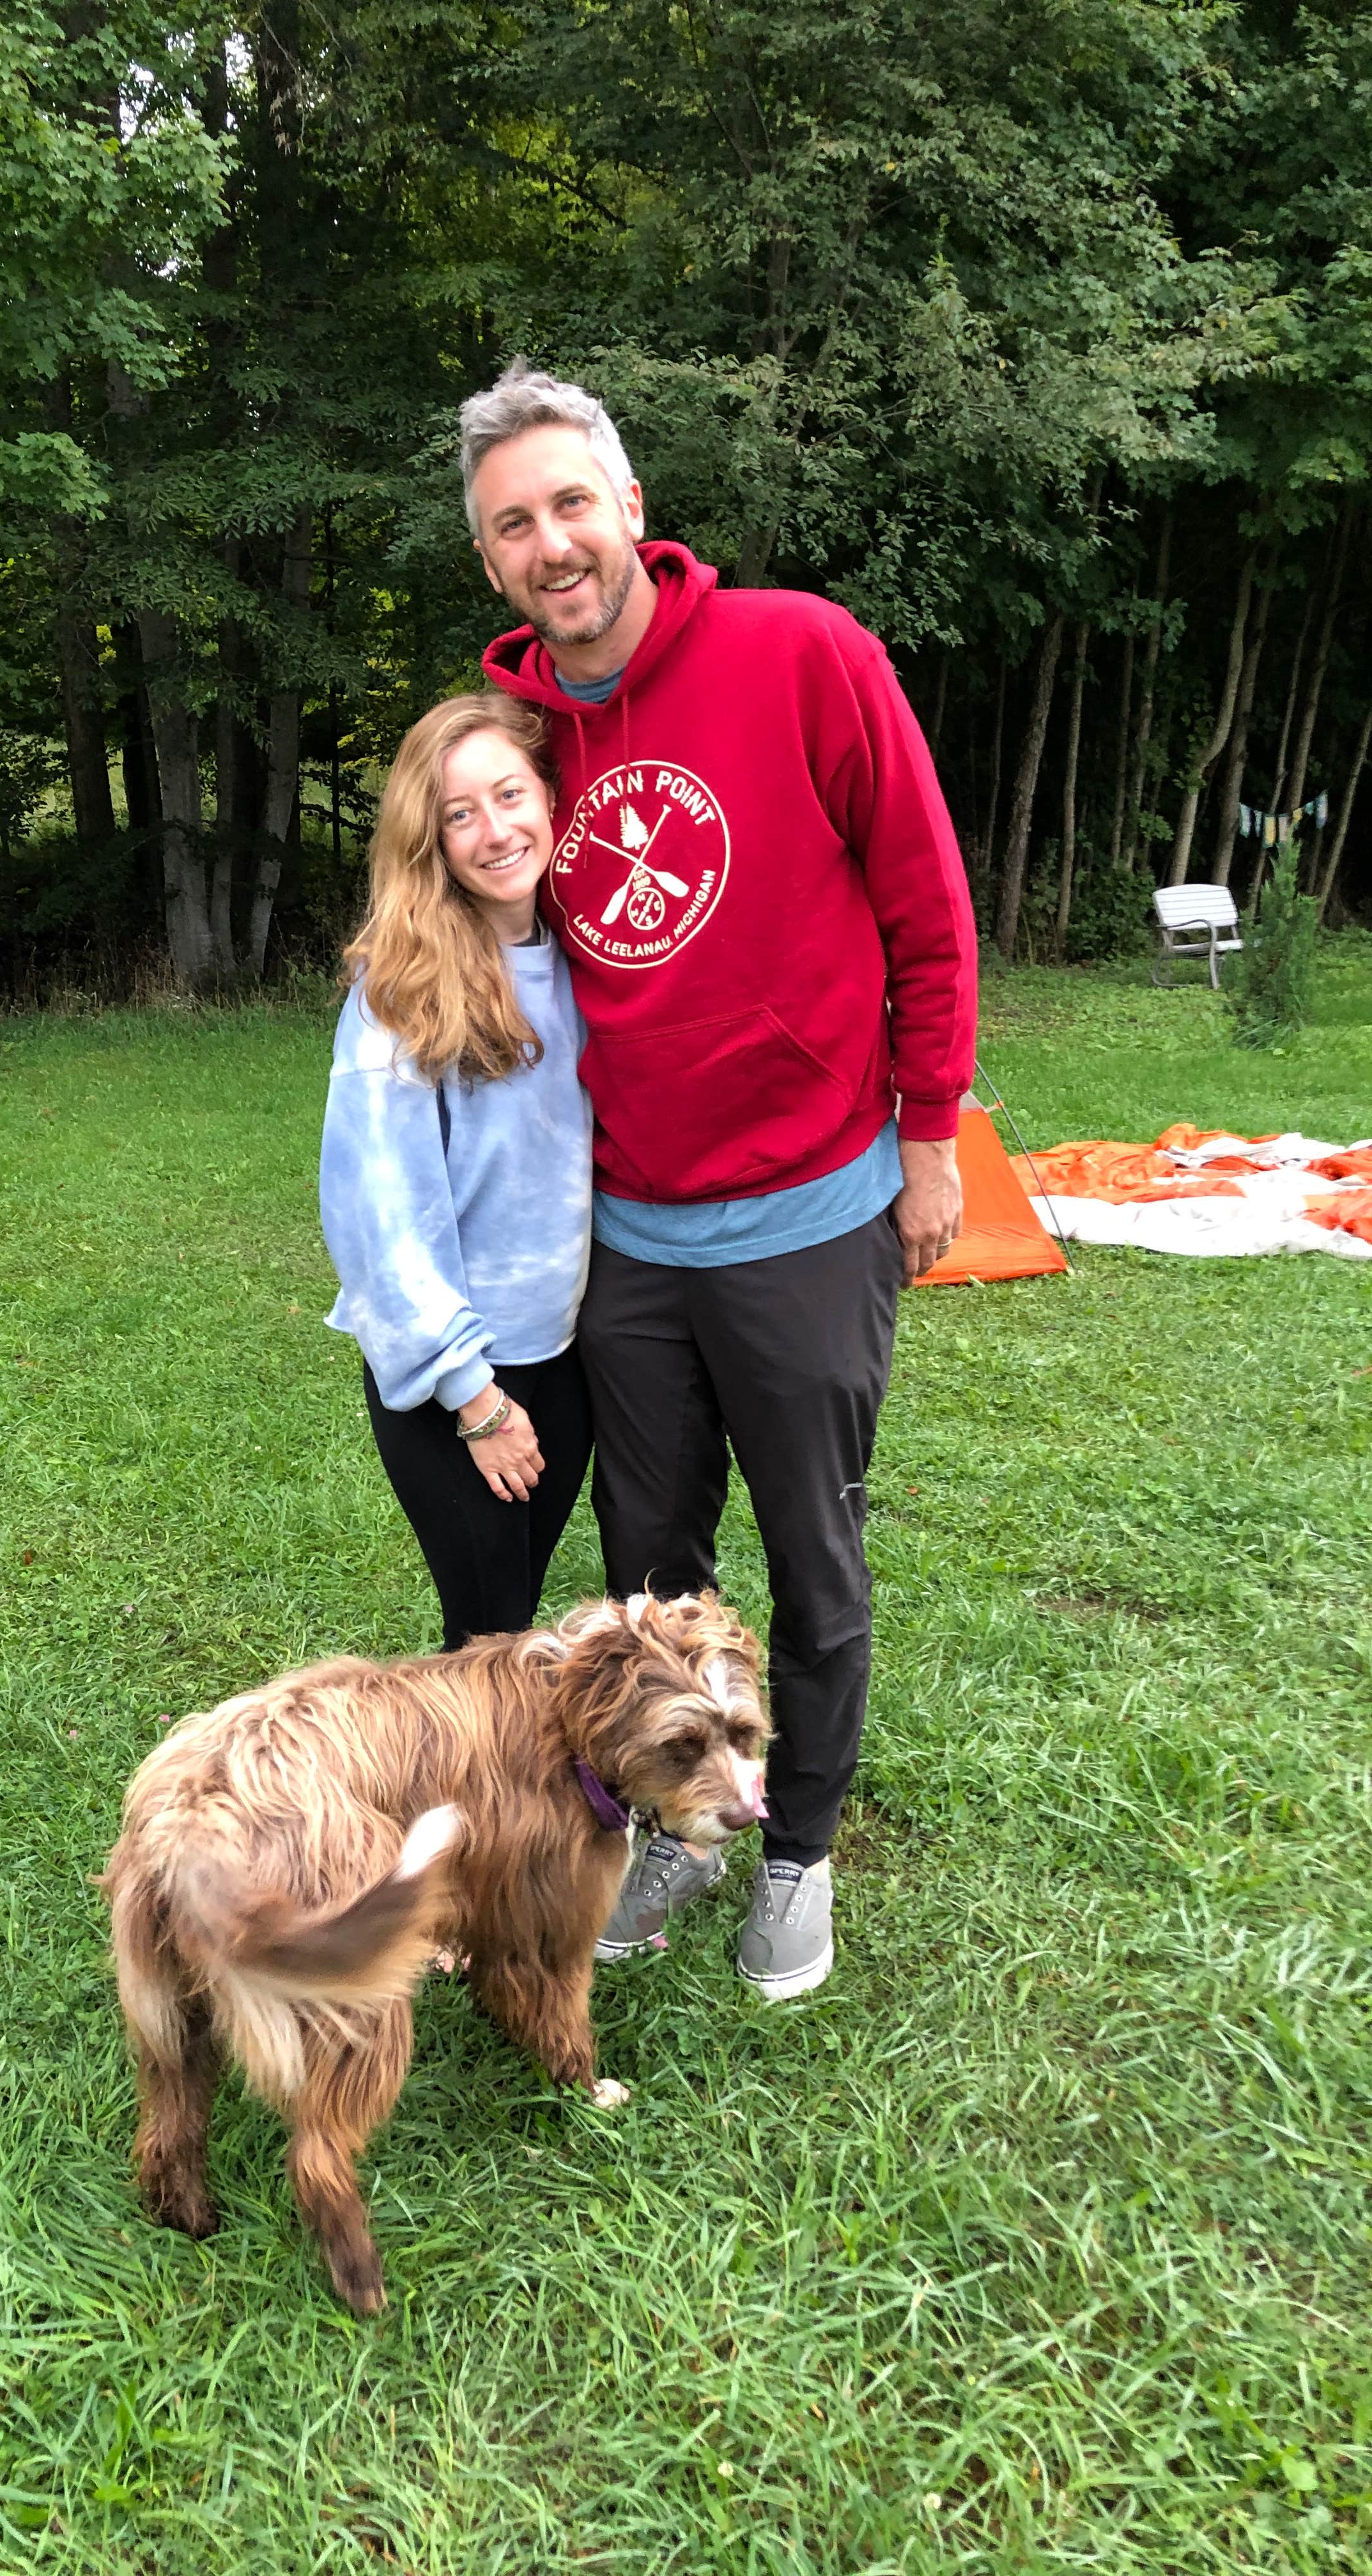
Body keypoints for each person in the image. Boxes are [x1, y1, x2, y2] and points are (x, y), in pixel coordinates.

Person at [465, 362, 978, 1997]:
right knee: (648, 1580)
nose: (551, 544)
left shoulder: (800, 650)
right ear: (492, 563)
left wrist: (933, 1128)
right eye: (511, 526)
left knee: (816, 1567)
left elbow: (924, 896)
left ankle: (797, 1853)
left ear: (629, 503)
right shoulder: (521, 737)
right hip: (628, 1239)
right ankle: (666, 1840)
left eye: (568, 503)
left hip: (817, 1210)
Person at [320, 694, 596, 1653]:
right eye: (459, 813)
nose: (495, 830)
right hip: (459, 1382)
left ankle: (473, 1802)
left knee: (501, 1636)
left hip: (568, 1359)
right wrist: (476, 1402)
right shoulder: (398, 993)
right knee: (491, 1648)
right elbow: (376, 1221)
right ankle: (461, 1804)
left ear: (551, 799)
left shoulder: (592, 964)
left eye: (509, 794)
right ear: (429, 838)